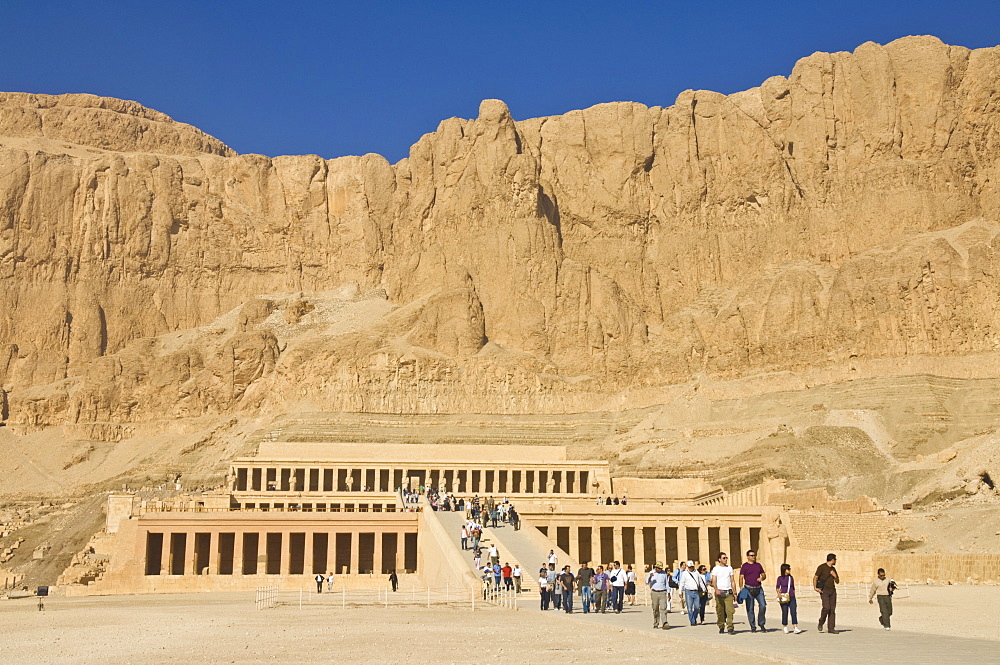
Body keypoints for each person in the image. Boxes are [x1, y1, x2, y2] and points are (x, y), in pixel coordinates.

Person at [739, 549, 767, 632]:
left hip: (758, 588)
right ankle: (753, 626)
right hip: (748, 589)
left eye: (754, 555)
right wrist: (741, 587)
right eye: (751, 555)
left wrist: (762, 578)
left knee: (763, 606)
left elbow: (764, 574)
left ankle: (761, 623)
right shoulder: (745, 566)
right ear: (748, 557)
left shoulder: (758, 565)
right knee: (750, 609)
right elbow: (741, 577)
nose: (753, 557)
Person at [813, 553, 840, 634]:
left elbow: (837, 581)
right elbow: (815, 577)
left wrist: (834, 575)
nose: (836, 561)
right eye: (835, 559)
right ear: (832, 560)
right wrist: (815, 587)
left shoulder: (833, 569)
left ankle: (831, 628)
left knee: (832, 610)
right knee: (826, 608)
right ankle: (821, 622)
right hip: (824, 591)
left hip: (832, 591)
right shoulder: (821, 567)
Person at [711, 553, 736, 634]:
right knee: (720, 610)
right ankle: (721, 626)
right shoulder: (715, 569)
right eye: (724, 558)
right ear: (719, 559)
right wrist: (716, 589)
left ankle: (730, 627)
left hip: (728, 592)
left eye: (726, 558)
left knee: (730, 611)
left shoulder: (729, 568)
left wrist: (735, 592)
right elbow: (714, 581)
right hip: (719, 592)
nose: (726, 559)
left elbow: (732, 581)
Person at [775, 563, 800, 633]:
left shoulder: (791, 578)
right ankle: (785, 626)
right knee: (785, 612)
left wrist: (794, 596)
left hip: (791, 596)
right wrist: (778, 593)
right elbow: (777, 587)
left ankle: (795, 627)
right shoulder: (780, 578)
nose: (789, 570)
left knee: (793, 612)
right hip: (784, 597)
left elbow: (793, 587)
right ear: (785, 570)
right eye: (788, 569)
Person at [679, 560, 704, 626]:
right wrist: (680, 591)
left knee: (697, 607)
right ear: (687, 567)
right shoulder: (685, 573)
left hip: (696, 591)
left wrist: (703, 589)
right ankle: (692, 621)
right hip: (688, 591)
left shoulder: (696, 572)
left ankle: (694, 618)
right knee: (689, 608)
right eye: (689, 567)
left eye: (692, 567)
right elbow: (682, 583)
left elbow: (700, 581)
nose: (691, 568)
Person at [645, 562, 670, 629]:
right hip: (654, 592)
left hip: (662, 592)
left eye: (660, 568)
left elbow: (666, 583)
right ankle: (656, 622)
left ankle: (665, 622)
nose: (659, 569)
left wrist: (669, 592)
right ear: (656, 567)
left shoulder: (663, 573)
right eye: (658, 568)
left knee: (663, 608)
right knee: (655, 608)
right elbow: (646, 582)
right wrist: (650, 577)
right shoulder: (651, 573)